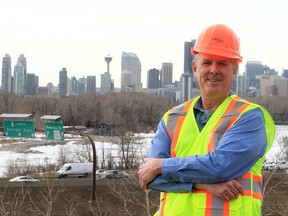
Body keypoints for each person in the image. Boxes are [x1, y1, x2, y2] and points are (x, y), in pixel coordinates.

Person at [138, 24, 276, 216]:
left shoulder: (249, 117)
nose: (214, 70)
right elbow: (149, 178)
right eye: (207, 63)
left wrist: (161, 166)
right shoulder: (172, 118)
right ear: (195, 67)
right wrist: (200, 183)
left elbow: (221, 166)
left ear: (234, 70)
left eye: (222, 64)